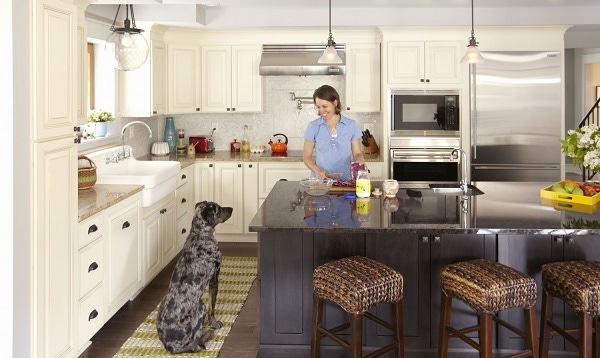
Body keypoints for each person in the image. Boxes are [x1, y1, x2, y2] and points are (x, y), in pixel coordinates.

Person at [303, 85, 366, 181]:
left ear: (335, 102)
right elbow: (306, 156)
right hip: (320, 182)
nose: (321, 111)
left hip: (345, 181)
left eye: (325, 106)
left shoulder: (351, 125)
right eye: (318, 107)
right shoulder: (313, 126)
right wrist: (318, 171)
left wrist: (360, 160)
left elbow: (357, 153)